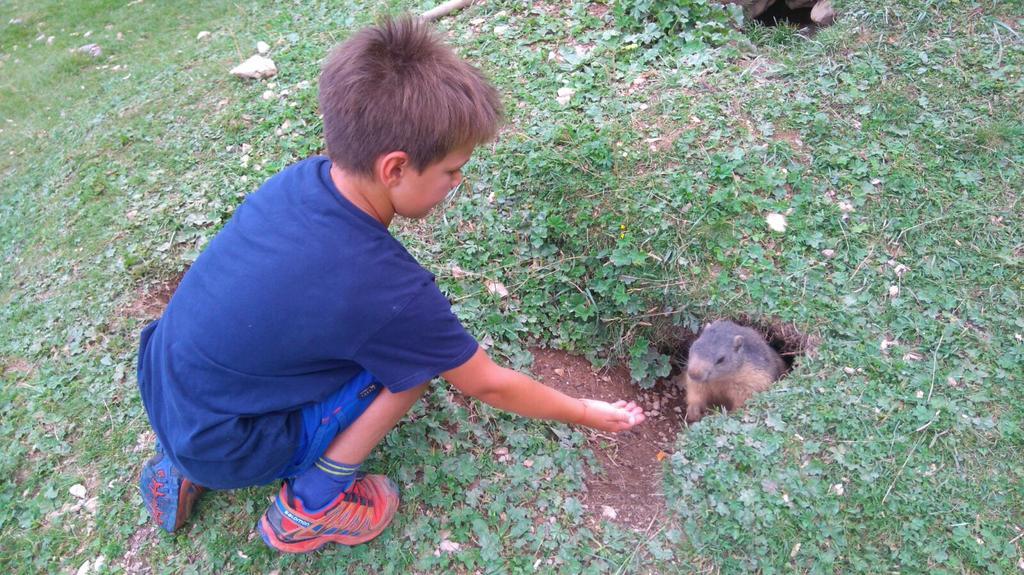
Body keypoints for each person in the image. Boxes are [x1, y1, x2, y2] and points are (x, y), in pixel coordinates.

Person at [136, 15, 645, 554]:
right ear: (396, 168)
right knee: (413, 369)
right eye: (452, 170)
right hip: (226, 444)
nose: (459, 182)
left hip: (167, 385)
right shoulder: (389, 293)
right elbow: (487, 383)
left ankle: (177, 464)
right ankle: (312, 505)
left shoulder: (297, 182)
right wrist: (588, 413)